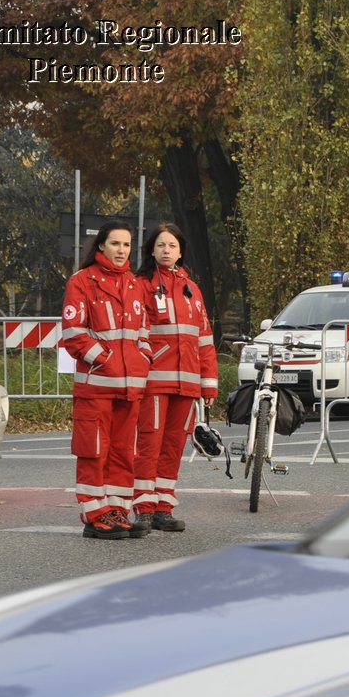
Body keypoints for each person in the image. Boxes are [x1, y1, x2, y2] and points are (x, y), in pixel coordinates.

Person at [60, 220, 152, 540]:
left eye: (126, 245)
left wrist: (142, 359)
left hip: (130, 387)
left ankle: (116, 510)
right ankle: (94, 514)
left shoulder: (134, 283)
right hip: (97, 385)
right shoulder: (81, 281)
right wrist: (107, 361)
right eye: (115, 244)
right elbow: (74, 335)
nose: (121, 250)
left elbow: (143, 332)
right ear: (101, 246)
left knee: (123, 451)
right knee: (93, 451)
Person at [132, 222, 218, 532]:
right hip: (154, 382)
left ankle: (163, 507)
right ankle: (143, 506)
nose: (166, 250)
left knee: (172, 447)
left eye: (172, 246)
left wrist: (208, 383)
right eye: (161, 245)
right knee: (149, 444)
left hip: (187, 383)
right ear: (151, 251)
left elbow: (204, 339)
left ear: (180, 251)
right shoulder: (140, 285)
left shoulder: (191, 289)